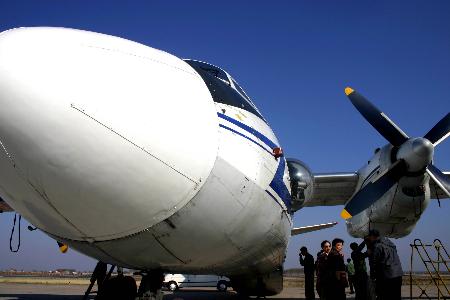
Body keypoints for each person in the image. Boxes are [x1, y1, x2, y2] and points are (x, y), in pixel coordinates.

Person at [366, 229, 403, 300]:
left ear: (373, 236)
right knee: (396, 296)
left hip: (387, 276)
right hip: (398, 273)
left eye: (369, 237)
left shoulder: (377, 246)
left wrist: (373, 277)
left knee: (384, 296)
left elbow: (374, 263)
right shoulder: (391, 244)